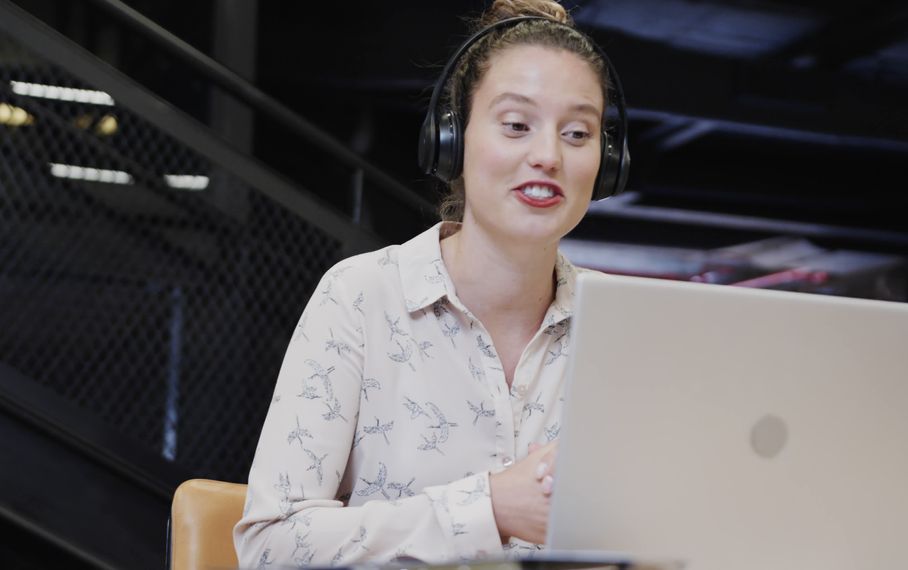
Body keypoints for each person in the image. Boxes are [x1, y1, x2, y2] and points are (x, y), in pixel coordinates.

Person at [233, 0, 628, 566]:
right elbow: (269, 548)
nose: (547, 156)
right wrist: (487, 509)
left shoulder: (623, 322)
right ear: (451, 138)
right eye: (517, 125)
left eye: (577, 133)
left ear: (607, 162)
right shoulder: (361, 296)